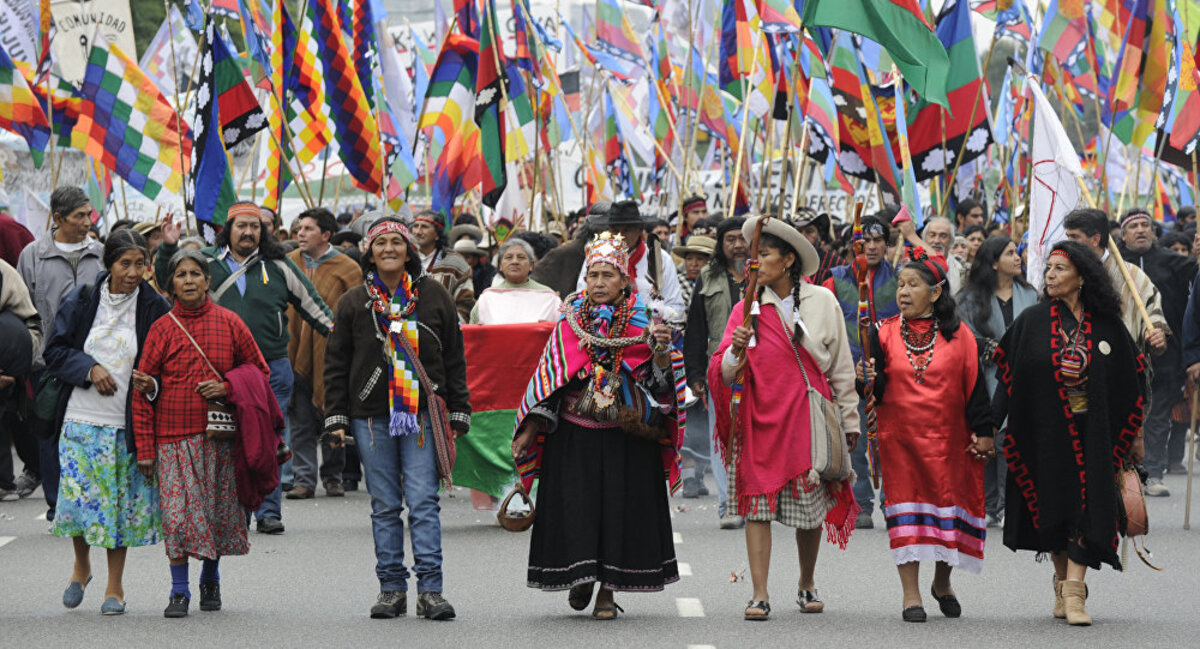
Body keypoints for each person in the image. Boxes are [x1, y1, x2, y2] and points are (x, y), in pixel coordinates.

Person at [512, 232, 685, 620]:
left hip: (627, 436)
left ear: (625, 280)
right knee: (577, 509)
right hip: (574, 435)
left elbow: (663, 389)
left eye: (609, 275)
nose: (601, 283)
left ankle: (607, 592)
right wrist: (529, 429)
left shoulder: (647, 321)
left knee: (618, 512)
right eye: (594, 275)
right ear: (584, 280)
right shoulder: (569, 322)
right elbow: (549, 382)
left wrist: (660, 352)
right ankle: (582, 575)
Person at [709, 216, 861, 621]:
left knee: (808, 507)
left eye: (765, 254)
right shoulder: (746, 308)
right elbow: (722, 371)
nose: (754, 261)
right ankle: (759, 593)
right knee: (757, 506)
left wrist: (849, 422)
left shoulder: (822, 301)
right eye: (752, 255)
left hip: (806, 417)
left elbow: (842, 367)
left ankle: (806, 582)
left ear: (789, 259)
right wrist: (734, 351)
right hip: (758, 417)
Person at [993, 240, 1147, 626]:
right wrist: (987, 427)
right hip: (1045, 432)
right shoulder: (1032, 322)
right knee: (1054, 509)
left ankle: (1076, 595)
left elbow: (1133, 378)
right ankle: (1063, 583)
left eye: (1060, 269)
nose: (1050, 275)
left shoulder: (1108, 324)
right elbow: (1007, 380)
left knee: (1086, 506)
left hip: (1095, 434)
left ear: (1082, 276)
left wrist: (1135, 435)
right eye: (1049, 269)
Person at [154, 202, 334, 534]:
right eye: (241, 225)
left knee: (265, 439)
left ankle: (268, 511)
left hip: (270, 372)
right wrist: (168, 247)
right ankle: (229, 510)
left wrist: (344, 340)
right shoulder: (204, 262)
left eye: (255, 226)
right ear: (229, 229)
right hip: (214, 370)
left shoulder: (278, 265)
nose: (249, 232)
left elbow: (314, 307)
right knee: (220, 442)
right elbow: (168, 283)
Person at [323, 217, 470, 621]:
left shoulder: (434, 295)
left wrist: (459, 408)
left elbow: (455, 357)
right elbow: (336, 363)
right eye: (381, 243)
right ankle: (391, 589)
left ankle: (431, 590)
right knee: (385, 504)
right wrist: (335, 416)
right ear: (369, 252)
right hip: (370, 416)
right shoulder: (354, 301)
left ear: (410, 250)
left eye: (397, 242)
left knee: (423, 502)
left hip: (421, 414)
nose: (389, 249)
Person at [857, 247, 994, 623]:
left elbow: (975, 388)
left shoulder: (962, 336)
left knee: (948, 515)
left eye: (913, 284)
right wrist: (865, 379)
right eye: (900, 284)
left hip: (950, 442)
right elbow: (877, 391)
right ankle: (911, 594)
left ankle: (942, 582)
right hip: (900, 442)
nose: (903, 291)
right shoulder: (881, 334)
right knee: (907, 516)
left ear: (935, 293)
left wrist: (984, 432)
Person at [134, 249, 273, 618]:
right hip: (173, 439)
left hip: (220, 440)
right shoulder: (161, 328)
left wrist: (228, 386)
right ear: (171, 284)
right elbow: (142, 388)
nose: (190, 280)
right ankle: (179, 591)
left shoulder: (230, 322)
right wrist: (145, 449)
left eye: (196, 273)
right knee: (178, 519)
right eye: (181, 275)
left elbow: (259, 372)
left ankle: (210, 580)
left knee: (215, 515)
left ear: (208, 281)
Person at [43, 230, 170, 615]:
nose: (133, 272)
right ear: (109, 264)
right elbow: (55, 351)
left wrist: (153, 385)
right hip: (80, 420)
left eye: (140, 263)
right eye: (124, 263)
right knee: (80, 501)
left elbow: (168, 363)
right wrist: (90, 368)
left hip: (125, 424)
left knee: (118, 506)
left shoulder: (155, 306)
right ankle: (82, 566)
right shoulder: (83, 300)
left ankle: (115, 587)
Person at [17, 186, 105, 519]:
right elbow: (23, 307)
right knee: (49, 432)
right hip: (47, 363)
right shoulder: (32, 255)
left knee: (90, 431)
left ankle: (91, 500)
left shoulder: (100, 252)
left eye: (89, 214)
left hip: (93, 363)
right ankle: (57, 504)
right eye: (79, 215)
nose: (87, 221)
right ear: (58, 218)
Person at [956, 235, 1038, 528]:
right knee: (984, 440)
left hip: (1021, 379)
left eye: (1017, 253)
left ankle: (1006, 504)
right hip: (982, 378)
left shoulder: (1030, 294)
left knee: (1008, 441)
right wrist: (988, 347)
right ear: (993, 262)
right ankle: (988, 504)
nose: (1018, 258)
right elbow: (960, 335)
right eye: (1010, 253)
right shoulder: (967, 298)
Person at [822, 214, 898, 529]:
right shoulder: (834, 280)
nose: (872, 246)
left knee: (890, 441)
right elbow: (823, 327)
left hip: (891, 374)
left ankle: (893, 504)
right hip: (847, 374)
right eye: (864, 241)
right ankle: (863, 503)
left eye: (878, 240)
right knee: (855, 441)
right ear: (853, 245)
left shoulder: (901, 279)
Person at [1117, 208, 1197, 497]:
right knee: (1125, 412)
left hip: (1165, 353)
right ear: (1123, 234)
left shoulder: (1171, 261)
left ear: (1153, 231)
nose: (1140, 230)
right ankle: (1124, 472)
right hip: (1122, 354)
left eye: (1145, 225)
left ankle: (1153, 472)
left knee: (1158, 414)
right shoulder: (1114, 263)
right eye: (1134, 226)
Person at [284, 208, 363, 500]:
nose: (300, 234)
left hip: (334, 358)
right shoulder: (287, 263)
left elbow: (357, 313)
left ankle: (333, 476)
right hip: (294, 354)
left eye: (307, 229)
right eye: (299, 229)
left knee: (333, 418)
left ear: (326, 235)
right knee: (301, 420)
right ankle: (303, 479)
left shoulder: (347, 268)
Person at [683, 217, 747, 528]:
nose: (737, 244)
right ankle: (728, 505)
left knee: (754, 439)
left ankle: (752, 501)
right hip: (719, 370)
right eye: (730, 239)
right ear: (721, 245)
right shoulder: (707, 277)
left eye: (742, 238)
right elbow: (695, 328)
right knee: (722, 436)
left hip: (761, 371)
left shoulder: (766, 275)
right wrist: (694, 373)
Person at [574, 200, 686, 325]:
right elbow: (582, 296)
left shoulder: (660, 259)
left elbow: (676, 307)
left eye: (627, 230)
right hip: (602, 331)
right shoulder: (597, 256)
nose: (620, 236)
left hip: (648, 335)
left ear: (640, 230)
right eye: (615, 231)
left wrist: (644, 317)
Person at [0, 259, 42, 502]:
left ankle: (6, 481)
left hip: (8, 367)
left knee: (11, 416)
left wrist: (17, 365)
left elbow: (33, 323)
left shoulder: (5, 273)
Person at [469, 238, 560, 325]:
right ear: (500, 265)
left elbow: (561, 332)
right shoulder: (487, 299)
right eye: (509, 257)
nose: (515, 261)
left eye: (521, 257)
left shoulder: (549, 298)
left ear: (531, 265)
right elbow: (472, 336)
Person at [410, 209, 475, 322]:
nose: (418, 231)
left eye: (424, 227)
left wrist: (449, 325)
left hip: (442, 328)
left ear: (437, 234)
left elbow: (466, 304)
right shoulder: (404, 259)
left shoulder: (456, 263)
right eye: (415, 226)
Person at [794, 209, 839, 285]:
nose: (803, 236)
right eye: (798, 231)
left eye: (809, 231)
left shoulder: (835, 263)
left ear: (819, 235)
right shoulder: (784, 261)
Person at [672, 235, 714, 315]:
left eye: (700, 259)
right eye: (689, 259)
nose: (694, 264)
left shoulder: (716, 284)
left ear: (710, 262)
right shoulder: (676, 283)